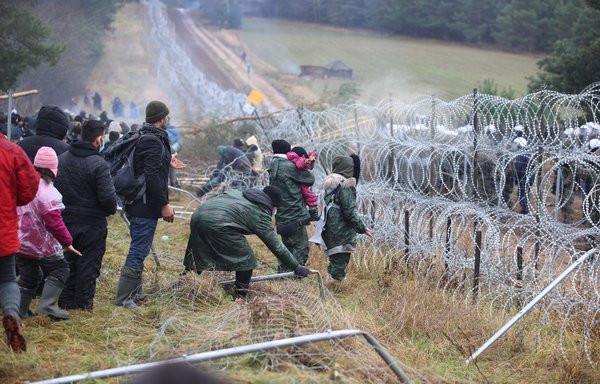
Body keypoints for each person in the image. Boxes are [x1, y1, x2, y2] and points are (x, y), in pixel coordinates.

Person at [183, 186, 310, 298]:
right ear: (273, 206)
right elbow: (277, 247)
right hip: (219, 223)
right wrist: (296, 266)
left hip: (198, 215)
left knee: (198, 250)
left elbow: (218, 197)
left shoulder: (239, 193)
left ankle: (184, 281)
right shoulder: (261, 213)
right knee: (246, 259)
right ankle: (241, 297)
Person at [114, 101, 174, 307]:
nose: (168, 119)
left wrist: (168, 160)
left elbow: (150, 166)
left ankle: (134, 294)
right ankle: (124, 298)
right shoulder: (153, 141)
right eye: (167, 116)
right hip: (144, 204)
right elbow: (151, 176)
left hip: (138, 203)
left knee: (141, 247)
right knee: (139, 249)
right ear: (161, 118)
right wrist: (164, 204)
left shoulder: (146, 136)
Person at [54, 120, 118, 310]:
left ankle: (64, 302)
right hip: (92, 225)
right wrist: (108, 210)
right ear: (99, 139)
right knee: (88, 265)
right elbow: (108, 200)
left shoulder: (62, 159)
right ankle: (82, 305)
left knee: (67, 262)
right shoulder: (99, 164)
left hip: (64, 221)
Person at [16, 147, 81, 320]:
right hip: (41, 245)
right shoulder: (48, 193)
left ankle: (20, 310)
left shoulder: (22, 183)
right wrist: (67, 241)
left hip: (20, 242)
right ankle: (47, 306)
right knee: (61, 269)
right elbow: (55, 223)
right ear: (54, 169)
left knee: (30, 275)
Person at [0, 132, 39, 352]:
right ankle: (12, 315)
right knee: (6, 279)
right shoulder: (12, 151)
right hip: (2, 227)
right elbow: (28, 190)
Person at [315, 155, 372, 282]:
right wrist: (362, 228)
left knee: (335, 257)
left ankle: (331, 281)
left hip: (329, 224)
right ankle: (336, 286)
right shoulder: (345, 185)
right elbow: (349, 211)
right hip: (341, 228)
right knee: (340, 259)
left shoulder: (331, 184)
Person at [268, 139, 315, 271]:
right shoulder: (288, 166)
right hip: (295, 214)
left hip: (282, 214)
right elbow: (309, 179)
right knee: (301, 247)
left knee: (286, 247)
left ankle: (282, 274)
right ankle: (295, 276)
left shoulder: (272, 165)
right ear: (288, 151)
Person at [287, 147, 319, 220]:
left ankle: (312, 213)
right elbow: (300, 163)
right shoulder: (297, 159)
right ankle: (313, 214)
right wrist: (306, 161)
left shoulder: (292, 159)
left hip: (298, 182)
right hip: (301, 184)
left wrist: (311, 159)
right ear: (303, 156)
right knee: (311, 197)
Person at [166, 122, 183, 187]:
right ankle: (174, 182)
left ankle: (173, 183)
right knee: (171, 164)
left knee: (169, 165)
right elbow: (180, 141)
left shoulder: (164, 131)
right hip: (176, 148)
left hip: (170, 149)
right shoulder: (175, 130)